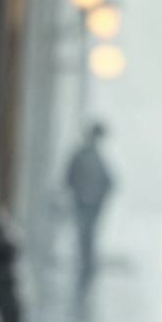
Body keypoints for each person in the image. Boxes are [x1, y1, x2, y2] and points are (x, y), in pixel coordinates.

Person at [64, 120, 114, 294]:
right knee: (84, 231)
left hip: (92, 203)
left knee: (89, 232)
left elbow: (109, 181)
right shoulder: (82, 156)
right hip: (83, 202)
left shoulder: (96, 157)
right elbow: (69, 177)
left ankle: (87, 260)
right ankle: (85, 261)